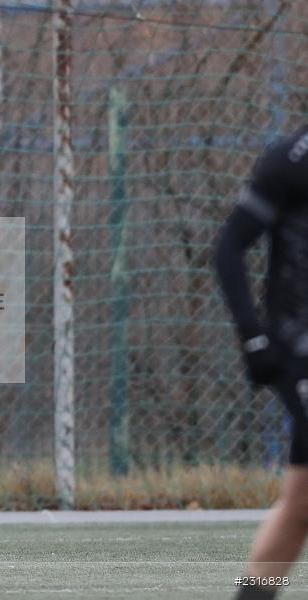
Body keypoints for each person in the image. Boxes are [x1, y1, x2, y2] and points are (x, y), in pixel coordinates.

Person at [215, 125, 308, 599]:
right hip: (300, 350)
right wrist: (254, 338)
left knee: (300, 505)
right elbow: (229, 248)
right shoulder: (291, 159)